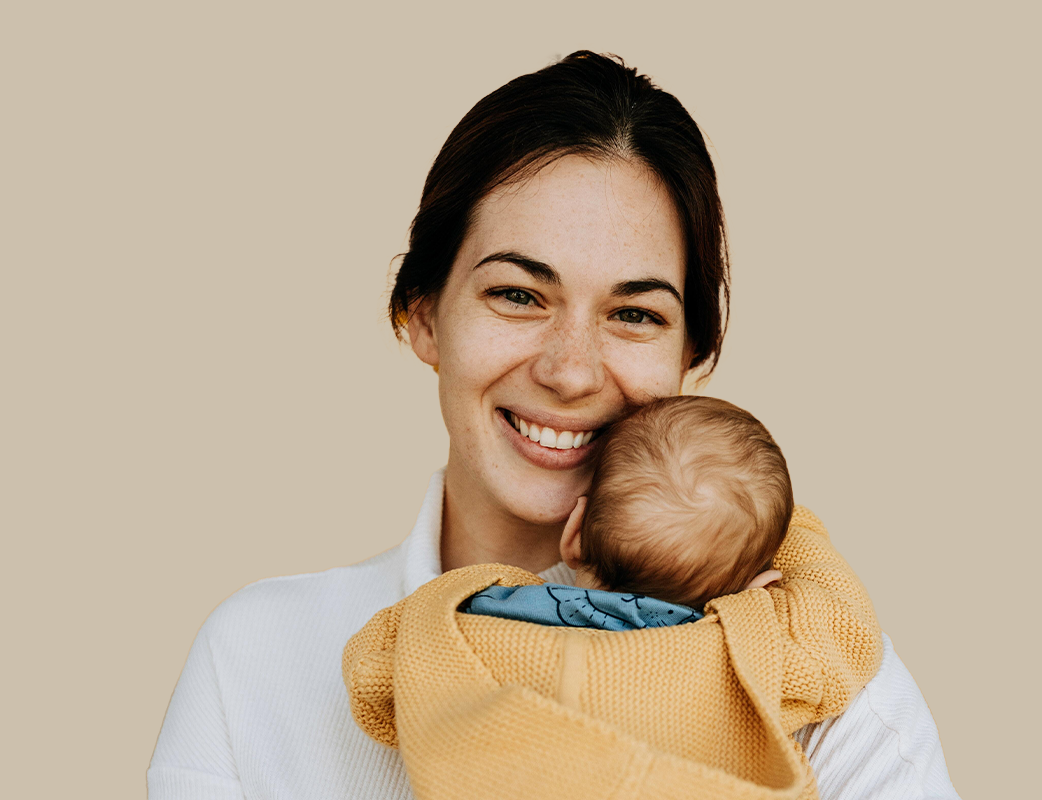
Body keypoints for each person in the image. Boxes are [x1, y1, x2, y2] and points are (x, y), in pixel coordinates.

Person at [148, 51, 961, 800]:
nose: (570, 371)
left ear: (693, 356)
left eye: (635, 314)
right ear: (421, 315)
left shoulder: (835, 699)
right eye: (517, 294)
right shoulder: (257, 663)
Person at [340, 396, 887, 799]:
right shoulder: (750, 660)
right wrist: (788, 528)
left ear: (574, 535)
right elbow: (845, 628)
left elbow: (372, 676)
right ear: (762, 591)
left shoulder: (479, 623)